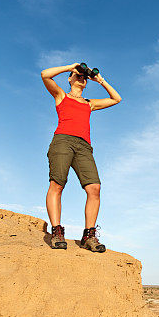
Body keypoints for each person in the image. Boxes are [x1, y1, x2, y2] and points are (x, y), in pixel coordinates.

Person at [40, 62, 122, 251]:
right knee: (57, 184)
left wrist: (100, 80)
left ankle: (88, 236)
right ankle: (57, 232)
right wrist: (71, 67)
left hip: (84, 146)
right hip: (63, 141)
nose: (81, 77)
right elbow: (45, 74)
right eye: (78, 75)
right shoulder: (61, 96)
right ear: (70, 79)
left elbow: (116, 98)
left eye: (84, 77)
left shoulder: (89, 103)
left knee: (94, 188)